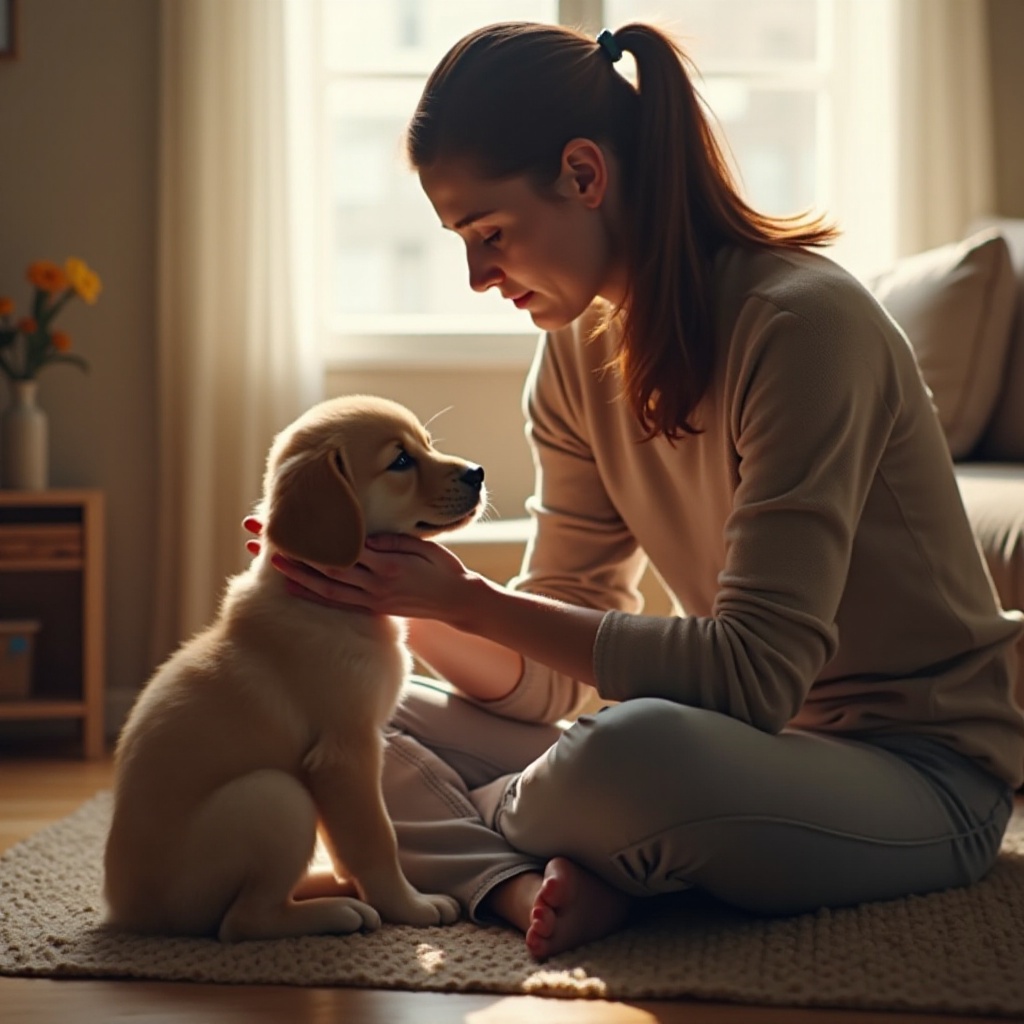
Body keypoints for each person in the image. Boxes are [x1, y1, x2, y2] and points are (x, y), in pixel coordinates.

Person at [247, 21, 1024, 961]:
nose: (478, 276)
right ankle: (528, 880)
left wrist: (472, 601)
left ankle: (486, 836)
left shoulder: (802, 327)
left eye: (490, 234)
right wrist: (401, 599)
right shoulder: (575, 352)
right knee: (345, 711)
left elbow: (753, 676)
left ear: (584, 174)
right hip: (735, 747)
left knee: (627, 757)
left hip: (919, 774)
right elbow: (553, 673)